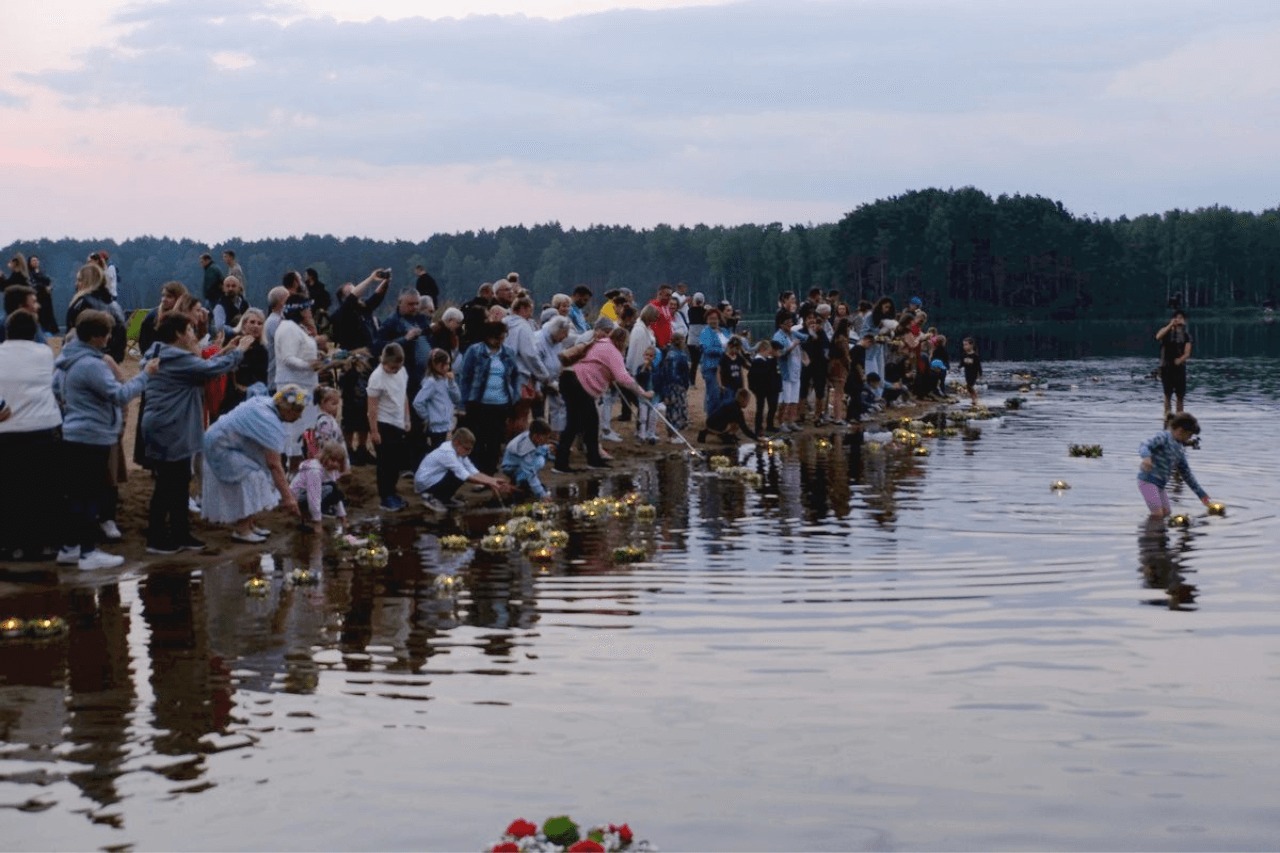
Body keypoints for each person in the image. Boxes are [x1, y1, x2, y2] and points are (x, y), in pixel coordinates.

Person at [53, 310, 156, 570]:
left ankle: (69, 548)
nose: (110, 338)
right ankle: (88, 552)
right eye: (108, 333)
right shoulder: (92, 364)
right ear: (98, 336)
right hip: (92, 437)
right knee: (90, 496)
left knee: (76, 495)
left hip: (74, 433)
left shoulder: (67, 358)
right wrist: (146, 375)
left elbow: (56, 389)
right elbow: (120, 395)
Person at [141, 312, 250, 554]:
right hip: (169, 427)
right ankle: (156, 539)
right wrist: (239, 351)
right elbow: (210, 371)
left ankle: (181, 534)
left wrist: (225, 351)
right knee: (168, 484)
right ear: (178, 334)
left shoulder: (163, 353)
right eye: (189, 330)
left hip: (169, 426)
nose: (193, 335)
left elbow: (202, 368)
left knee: (179, 481)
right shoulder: (176, 357)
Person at [202, 386, 305, 543]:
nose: (299, 417)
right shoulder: (268, 420)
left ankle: (250, 525)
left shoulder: (267, 405)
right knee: (251, 479)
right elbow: (274, 465)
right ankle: (242, 530)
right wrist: (288, 498)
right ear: (288, 410)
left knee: (259, 475)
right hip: (220, 447)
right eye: (298, 412)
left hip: (230, 444)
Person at [0, 312, 63, 561]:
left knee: (10, 490)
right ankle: (44, 544)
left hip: (8, 429)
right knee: (43, 489)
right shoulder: (44, 354)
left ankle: (11, 545)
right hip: (43, 426)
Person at [553, 325, 653, 473]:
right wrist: (643, 393)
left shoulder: (600, 344)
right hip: (579, 383)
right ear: (623, 341)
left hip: (570, 379)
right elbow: (623, 377)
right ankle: (562, 464)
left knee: (590, 423)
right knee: (575, 424)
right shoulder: (613, 351)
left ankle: (593, 460)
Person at [457, 321, 518, 474]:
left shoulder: (508, 352)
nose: (499, 340)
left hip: (501, 403)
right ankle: (477, 471)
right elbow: (465, 377)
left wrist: (514, 395)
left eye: (502, 337)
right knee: (477, 439)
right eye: (496, 337)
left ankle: (490, 471)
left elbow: (515, 375)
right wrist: (463, 402)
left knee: (495, 440)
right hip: (478, 403)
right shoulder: (474, 351)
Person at [414, 427, 513, 513]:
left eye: (470, 449)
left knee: (461, 472)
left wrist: (492, 480)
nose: (468, 452)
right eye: (466, 449)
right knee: (457, 474)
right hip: (426, 484)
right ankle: (431, 496)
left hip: (435, 479)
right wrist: (489, 483)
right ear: (456, 443)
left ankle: (444, 498)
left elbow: (474, 472)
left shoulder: (458, 451)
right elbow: (465, 476)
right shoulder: (447, 453)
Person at [1138, 412, 1212, 518]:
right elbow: (1144, 444)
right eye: (1189, 435)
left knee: (1167, 512)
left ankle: (1160, 532)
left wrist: (1202, 495)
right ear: (1180, 431)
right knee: (1157, 514)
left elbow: (1187, 475)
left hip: (1160, 485)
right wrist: (1146, 457)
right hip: (1147, 482)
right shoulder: (1164, 437)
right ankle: (1150, 533)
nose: (1190, 439)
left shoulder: (1180, 449)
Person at [367, 343, 411, 511]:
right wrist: (374, 431)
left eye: (397, 367)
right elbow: (372, 406)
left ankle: (392, 492)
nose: (394, 370)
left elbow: (403, 395)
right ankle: (385, 496)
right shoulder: (377, 377)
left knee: (396, 462)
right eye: (391, 367)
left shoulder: (402, 372)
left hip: (398, 421)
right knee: (385, 463)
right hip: (383, 422)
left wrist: (407, 418)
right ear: (384, 361)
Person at [290, 439, 348, 534]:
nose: (335, 464)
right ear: (325, 457)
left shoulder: (330, 470)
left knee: (336, 491)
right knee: (330, 487)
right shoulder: (315, 470)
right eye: (332, 460)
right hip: (296, 500)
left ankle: (313, 515)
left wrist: (343, 519)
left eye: (339, 462)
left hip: (312, 495)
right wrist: (318, 523)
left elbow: (336, 495)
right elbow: (314, 497)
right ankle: (307, 517)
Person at [412, 348, 461, 451]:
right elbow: (417, 402)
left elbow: (457, 398)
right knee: (438, 453)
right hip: (436, 428)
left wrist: (452, 383)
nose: (447, 367)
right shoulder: (431, 382)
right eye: (444, 364)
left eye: (448, 364)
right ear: (435, 364)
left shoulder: (447, 380)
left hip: (447, 425)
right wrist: (428, 417)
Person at [500, 417, 555, 500]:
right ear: (536, 436)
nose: (547, 440)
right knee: (538, 462)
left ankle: (520, 481)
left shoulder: (530, 436)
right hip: (510, 467)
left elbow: (538, 448)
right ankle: (520, 484)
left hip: (516, 462)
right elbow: (530, 474)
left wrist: (546, 449)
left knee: (540, 459)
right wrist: (542, 495)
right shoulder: (525, 449)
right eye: (546, 438)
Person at [655, 331, 691, 443]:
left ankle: (670, 434)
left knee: (670, 410)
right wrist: (685, 385)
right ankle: (675, 435)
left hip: (668, 386)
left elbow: (664, 372)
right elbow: (685, 374)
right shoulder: (682, 356)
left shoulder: (668, 354)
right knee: (678, 410)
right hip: (678, 386)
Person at [772, 310, 804, 431]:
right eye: (787, 322)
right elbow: (779, 354)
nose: (790, 324)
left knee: (794, 398)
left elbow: (806, 338)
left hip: (796, 369)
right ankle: (781, 422)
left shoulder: (793, 333)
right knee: (785, 399)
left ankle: (791, 421)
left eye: (791, 322)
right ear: (781, 324)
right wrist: (791, 347)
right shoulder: (778, 336)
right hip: (785, 372)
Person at [1156, 309, 1193, 415]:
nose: (1178, 320)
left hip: (1179, 368)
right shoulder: (1166, 332)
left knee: (1180, 395)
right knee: (1167, 394)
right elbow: (1158, 336)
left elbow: (1187, 352)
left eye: (1181, 318)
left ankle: (1179, 416)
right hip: (1166, 366)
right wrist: (1170, 325)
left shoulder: (1186, 335)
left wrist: (1180, 360)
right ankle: (1167, 415)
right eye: (1176, 317)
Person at [698, 306, 730, 416]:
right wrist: (723, 351)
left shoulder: (725, 331)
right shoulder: (705, 332)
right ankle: (711, 419)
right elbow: (707, 349)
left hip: (725, 368)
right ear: (707, 320)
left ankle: (721, 417)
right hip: (711, 367)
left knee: (724, 394)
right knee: (713, 394)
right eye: (710, 318)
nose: (713, 321)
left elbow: (732, 344)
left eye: (715, 318)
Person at [28, 255, 58, 336]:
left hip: (46, 299)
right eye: (33, 260)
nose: (35, 262)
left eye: (36, 260)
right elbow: (32, 284)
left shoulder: (43, 272)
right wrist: (44, 287)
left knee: (48, 316)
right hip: (37, 298)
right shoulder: (29, 274)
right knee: (39, 316)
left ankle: (49, 333)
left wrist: (50, 287)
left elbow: (50, 282)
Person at [959, 337, 983, 407]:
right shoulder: (963, 355)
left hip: (974, 373)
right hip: (967, 372)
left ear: (971, 345)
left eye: (966, 344)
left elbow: (979, 366)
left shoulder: (975, 356)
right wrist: (958, 368)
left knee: (970, 386)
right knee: (969, 387)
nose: (964, 346)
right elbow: (962, 364)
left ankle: (974, 399)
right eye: (964, 345)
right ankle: (974, 399)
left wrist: (980, 375)